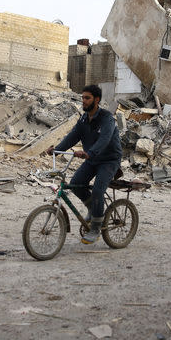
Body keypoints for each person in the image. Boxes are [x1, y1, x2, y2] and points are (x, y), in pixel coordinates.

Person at [47, 84, 122, 244]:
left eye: (87, 98)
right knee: (75, 185)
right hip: (92, 159)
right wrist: (57, 150)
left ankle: (95, 227)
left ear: (97, 100)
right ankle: (93, 209)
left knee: (97, 191)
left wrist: (89, 152)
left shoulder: (107, 118)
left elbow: (105, 139)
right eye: (82, 98)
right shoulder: (83, 119)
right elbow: (72, 137)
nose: (83, 101)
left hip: (108, 160)